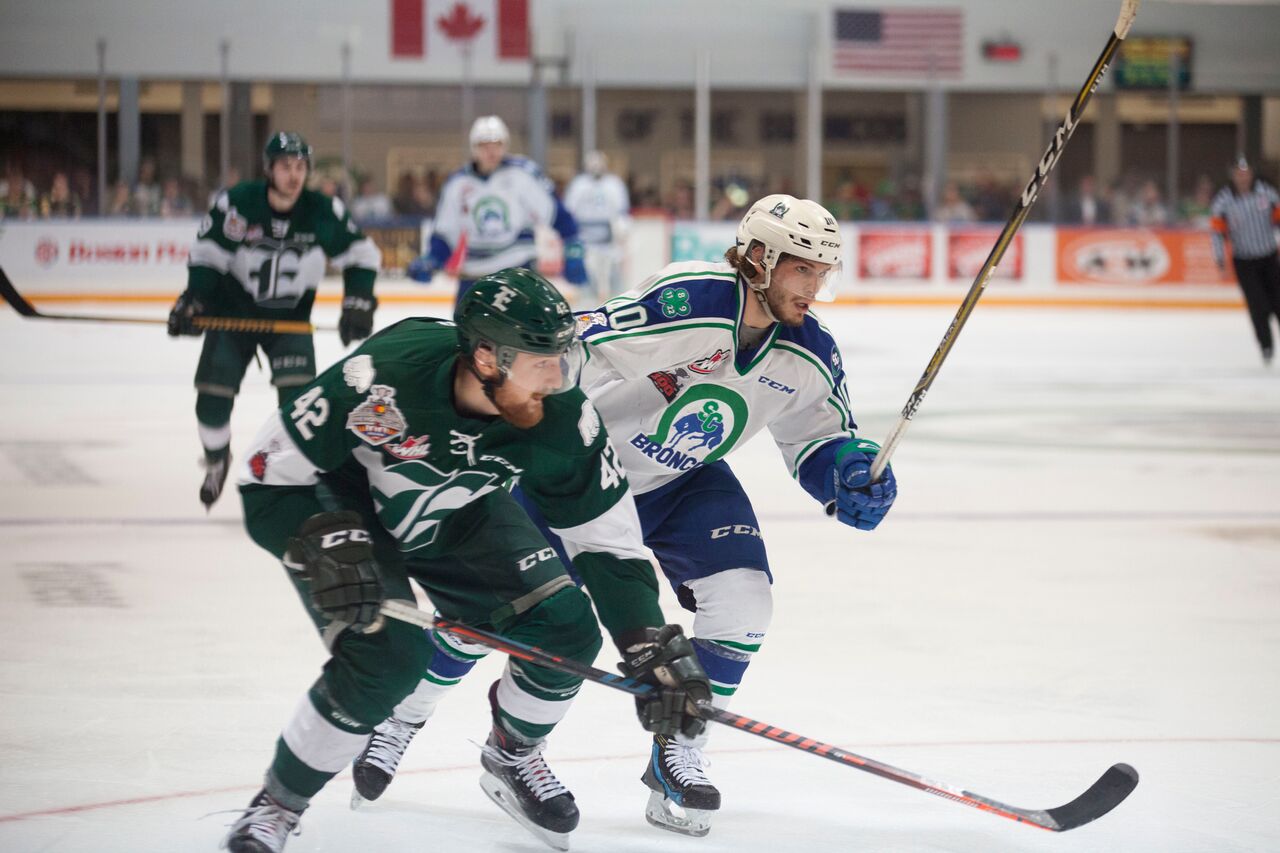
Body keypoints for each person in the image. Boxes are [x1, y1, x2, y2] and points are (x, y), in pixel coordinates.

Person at [353, 195, 899, 837]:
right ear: (759, 258)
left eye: (821, 271)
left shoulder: (809, 351)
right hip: (584, 470)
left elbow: (818, 436)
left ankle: (677, 751)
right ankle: (404, 713)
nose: (815, 285)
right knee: (487, 616)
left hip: (683, 480)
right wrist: (518, 427)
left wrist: (848, 469)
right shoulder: (690, 300)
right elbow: (578, 348)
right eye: (802, 269)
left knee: (746, 600)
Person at [219, 268, 710, 853]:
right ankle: (276, 805)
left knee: (565, 629)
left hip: (456, 511)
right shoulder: (382, 376)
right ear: (485, 358)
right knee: (388, 655)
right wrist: (312, 536)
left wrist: (644, 640)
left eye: (561, 357)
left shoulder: (563, 419)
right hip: (346, 511)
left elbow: (607, 540)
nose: (557, 379)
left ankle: (512, 754)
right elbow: (266, 471)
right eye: (539, 361)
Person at [166, 131, 381, 508]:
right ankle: (217, 460)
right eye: (285, 166)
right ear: (269, 169)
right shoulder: (239, 203)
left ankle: (289, 480)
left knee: (300, 409)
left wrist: (359, 301)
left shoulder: (321, 211)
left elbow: (361, 256)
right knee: (212, 400)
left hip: (290, 323)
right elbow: (209, 253)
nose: (294, 175)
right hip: (233, 318)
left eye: (300, 167)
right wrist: (196, 298)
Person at [406, 115, 588, 304]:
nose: (491, 152)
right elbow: (445, 233)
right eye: (484, 145)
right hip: (474, 276)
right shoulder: (457, 184)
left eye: (497, 145)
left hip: (519, 272)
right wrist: (432, 259)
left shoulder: (522, 174)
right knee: (466, 331)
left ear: (505, 146)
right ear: (473, 148)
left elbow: (557, 214)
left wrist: (573, 248)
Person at [1210, 156, 1280, 365]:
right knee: (1258, 306)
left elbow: (1278, 221)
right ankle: (1266, 345)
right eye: (1239, 173)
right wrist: (1220, 259)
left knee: (1278, 302)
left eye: (1246, 172)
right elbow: (1216, 232)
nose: (1243, 177)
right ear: (1232, 175)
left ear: (1252, 174)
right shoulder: (1223, 201)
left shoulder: (1267, 193)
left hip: (1269, 257)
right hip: (1244, 261)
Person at [563, 150, 631, 299]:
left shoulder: (614, 184)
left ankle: (615, 307)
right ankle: (586, 311)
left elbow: (622, 212)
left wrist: (622, 235)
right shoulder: (578, 184)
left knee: (614, 279)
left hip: (609, 241)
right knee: (586, 281)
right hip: (585, 241)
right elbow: (569, 211)